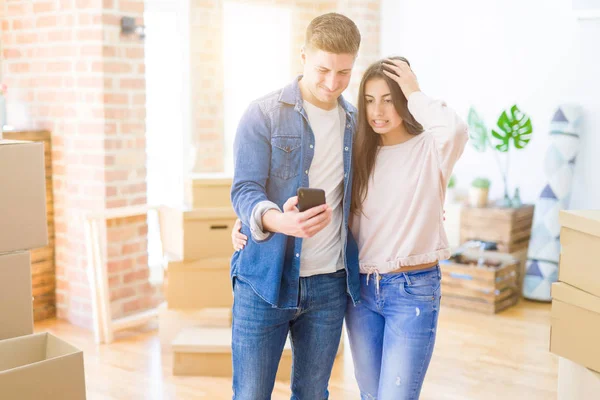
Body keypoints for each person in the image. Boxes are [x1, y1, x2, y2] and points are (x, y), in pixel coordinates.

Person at [233, 56, 468, 399]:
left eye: (390, 99)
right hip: (360, 291)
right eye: (370, 100)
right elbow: (281, 187)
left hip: (411, 288)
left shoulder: (430, 148)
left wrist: (415, 91)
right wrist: (249, 221)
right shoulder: (359, 148)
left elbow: (456, 130)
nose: (379, 111)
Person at [229, 13, 362, 400]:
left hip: (329, 284)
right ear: (303, 56)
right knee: (251, 394)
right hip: (263, 281)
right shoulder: (263, 113)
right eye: (323, 69)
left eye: (344, 72)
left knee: (312, 393)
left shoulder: (355, 122)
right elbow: (245, 189)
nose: (332, 83)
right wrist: (277, 221)